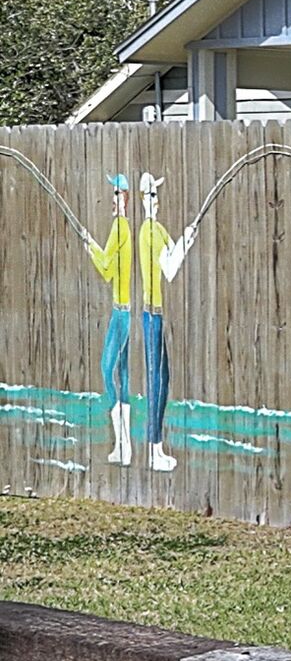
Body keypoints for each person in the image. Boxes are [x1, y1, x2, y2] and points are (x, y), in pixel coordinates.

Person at [90, 172, 194, 472]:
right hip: (149, 314)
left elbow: (171, 265)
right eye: (149, 195)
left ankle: (141, 448)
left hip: (149, 313)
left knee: (157, 379)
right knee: (152, 380)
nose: (154, 200)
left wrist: (187, 238)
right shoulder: (145, 231)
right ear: (137, 198)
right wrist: (89, 244)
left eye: (155, 195)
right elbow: (166, 267)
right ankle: (149, 450)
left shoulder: (154, 229)